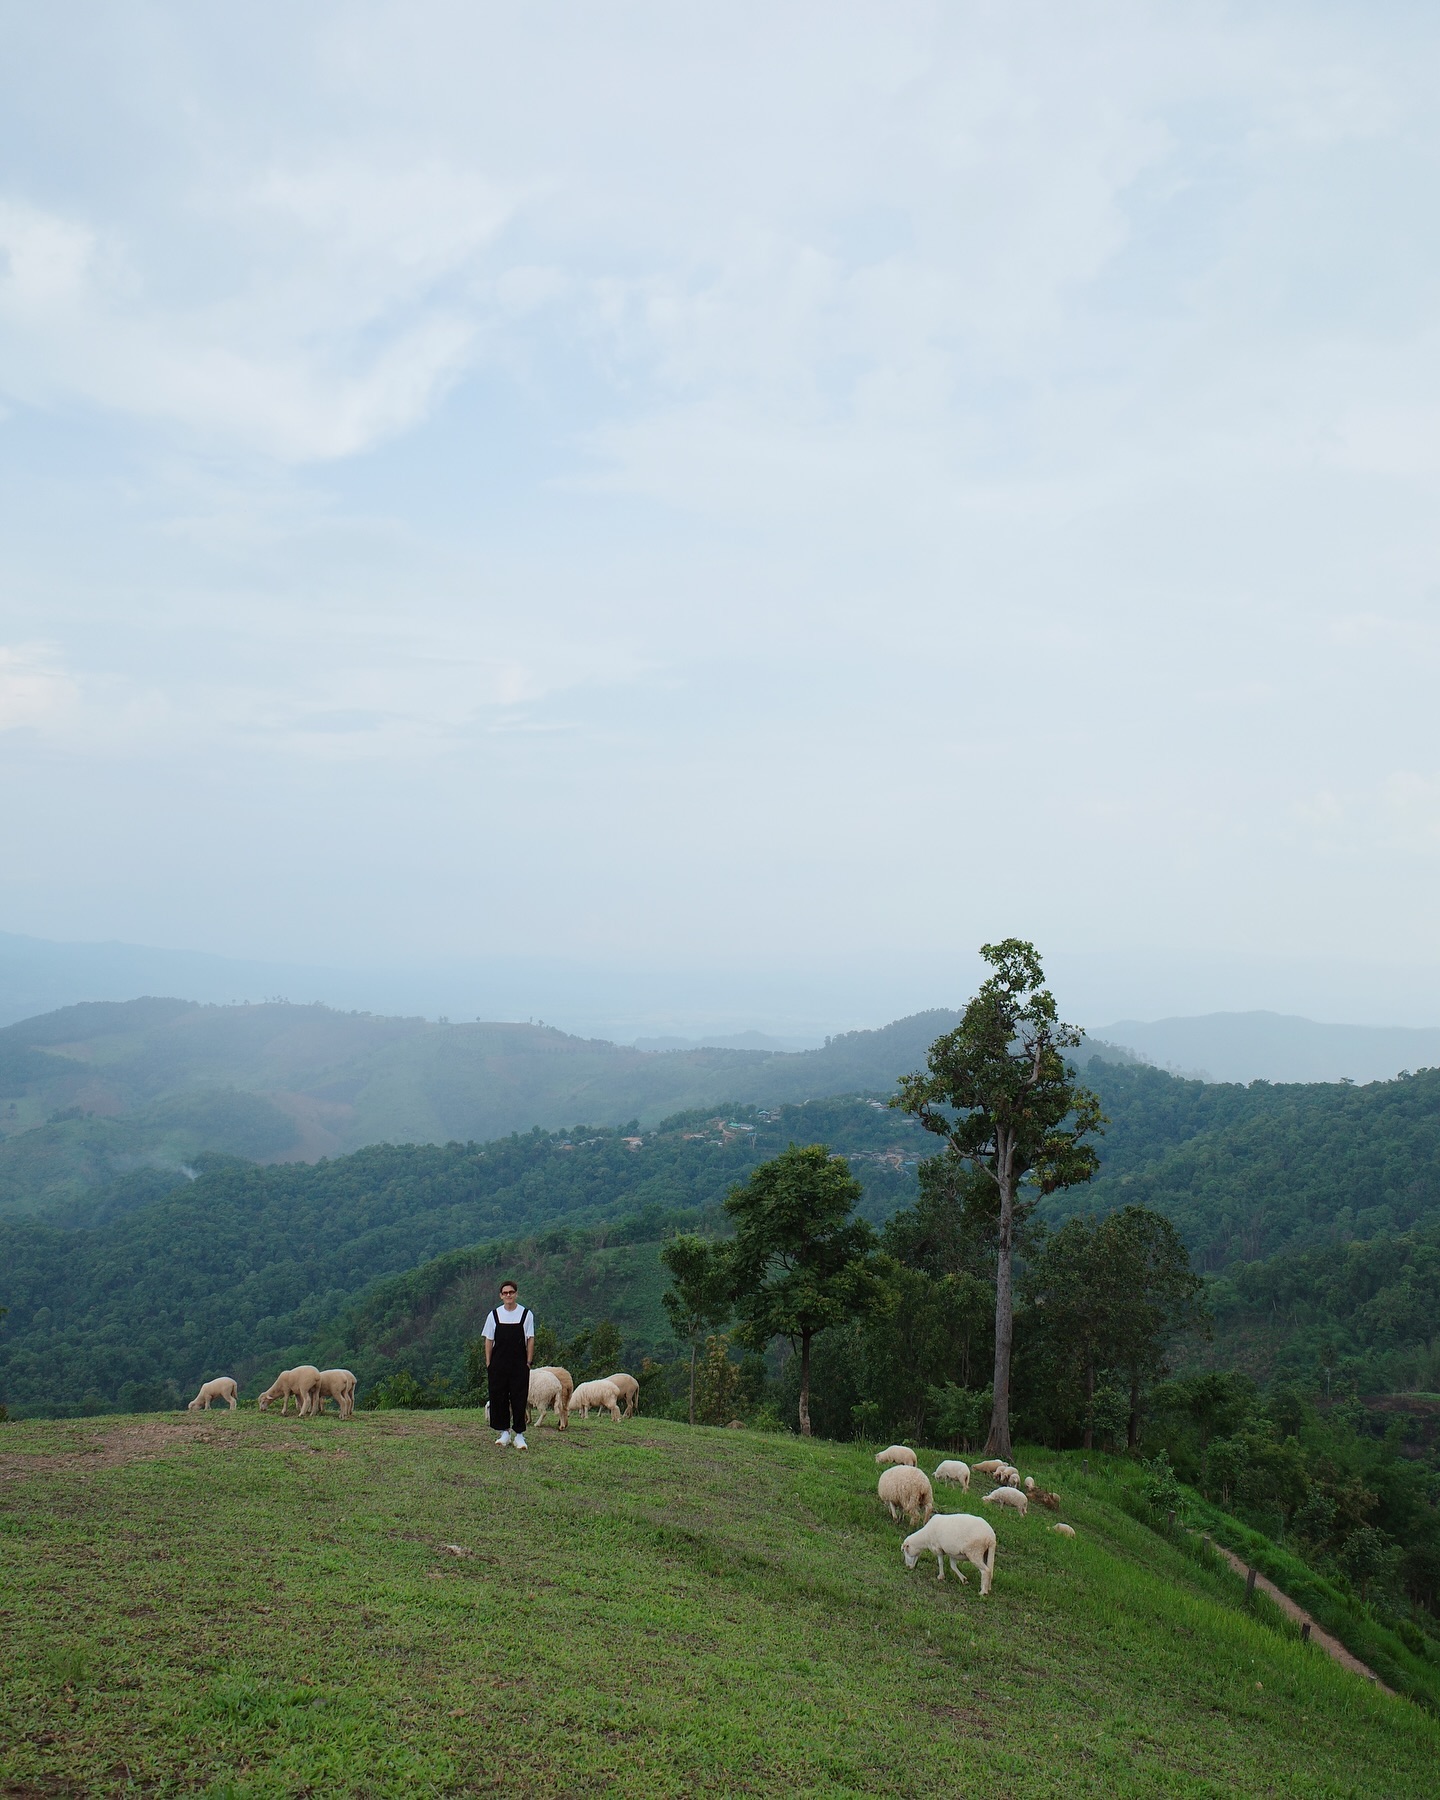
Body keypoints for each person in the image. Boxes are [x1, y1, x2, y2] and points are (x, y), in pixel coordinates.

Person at [483, 1280, 536, 1449]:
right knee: (499, 1397)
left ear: (516, 1294)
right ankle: (504, 1432)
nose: (508, 1295)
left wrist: (528, 1362)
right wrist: (489, 1363)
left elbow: (530, 1339)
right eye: (505, 1293)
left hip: (519, 1364)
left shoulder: (526, 1314)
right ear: (501, 1296)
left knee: (519, 1398)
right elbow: (489, 1340)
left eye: (511, 1292)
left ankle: (519, 1435)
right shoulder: (494, 1315)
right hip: (498, 1364)